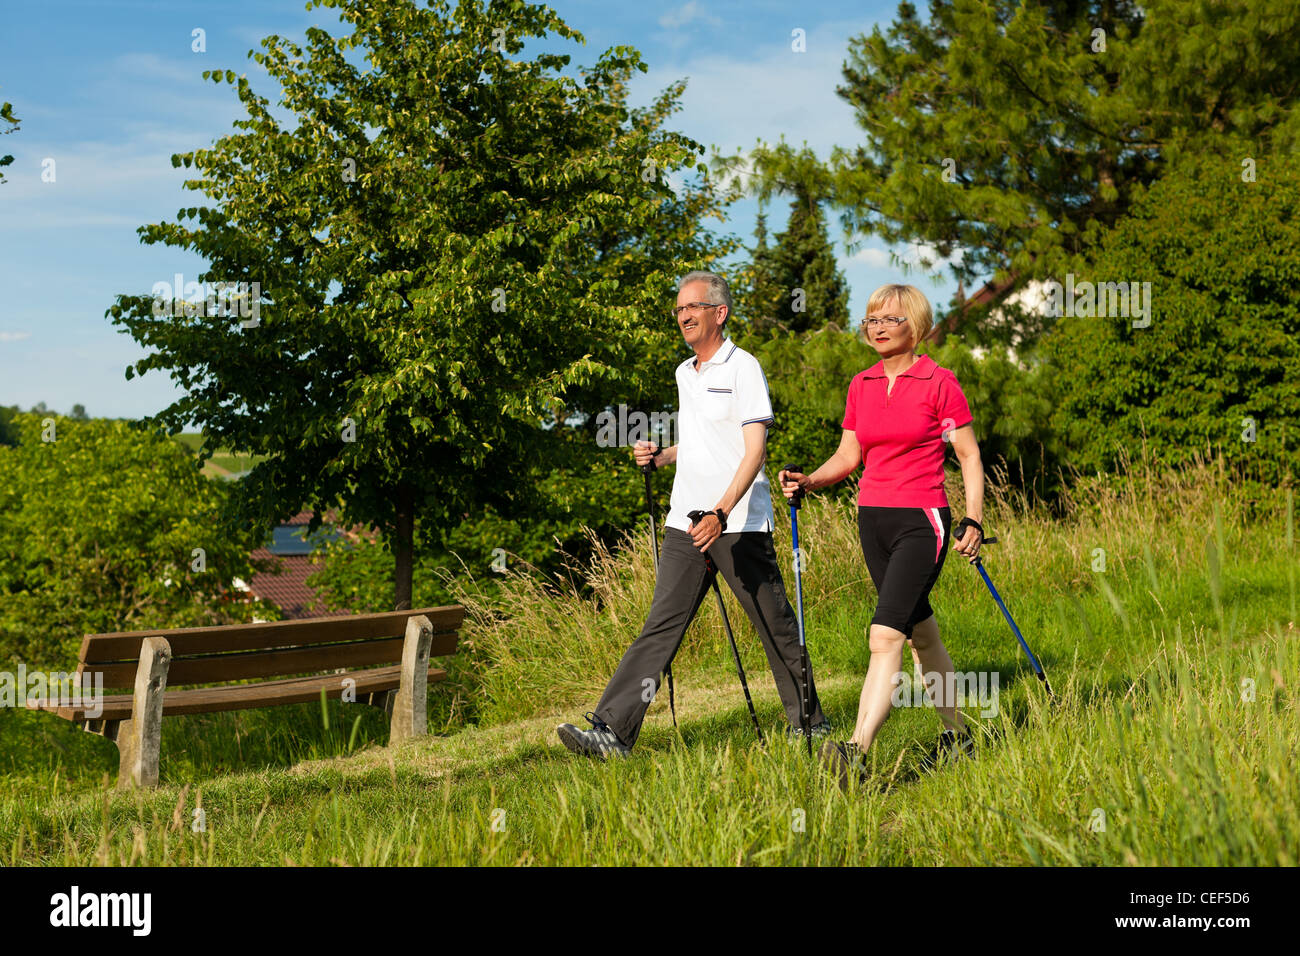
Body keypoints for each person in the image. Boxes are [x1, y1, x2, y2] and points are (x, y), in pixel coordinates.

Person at [557, 270, 828, 757]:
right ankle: (612, 732)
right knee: (661, 625)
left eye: (692, 307)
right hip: (686, 521)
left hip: (736, 523)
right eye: (679, 309)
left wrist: (722, 512)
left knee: (774, 626)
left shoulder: (743, 368)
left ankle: (810, 726)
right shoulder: (686, 372)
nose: (683, 316)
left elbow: (754, 451)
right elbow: (704, 440)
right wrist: (662, 456)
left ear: (718, 313)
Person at [779, 283, 986, 786]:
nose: (877, 327)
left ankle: (855, 749)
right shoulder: (862, 383)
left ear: (915, 325)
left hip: (922, 520)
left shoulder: (940, 382)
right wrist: (810, 479)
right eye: (871, 319)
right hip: (872, 519)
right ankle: (959, 737)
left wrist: (974, 519)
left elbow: (968, 456)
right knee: (921, 634)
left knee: (885, 634)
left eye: (889, 320)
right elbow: (849, 457)